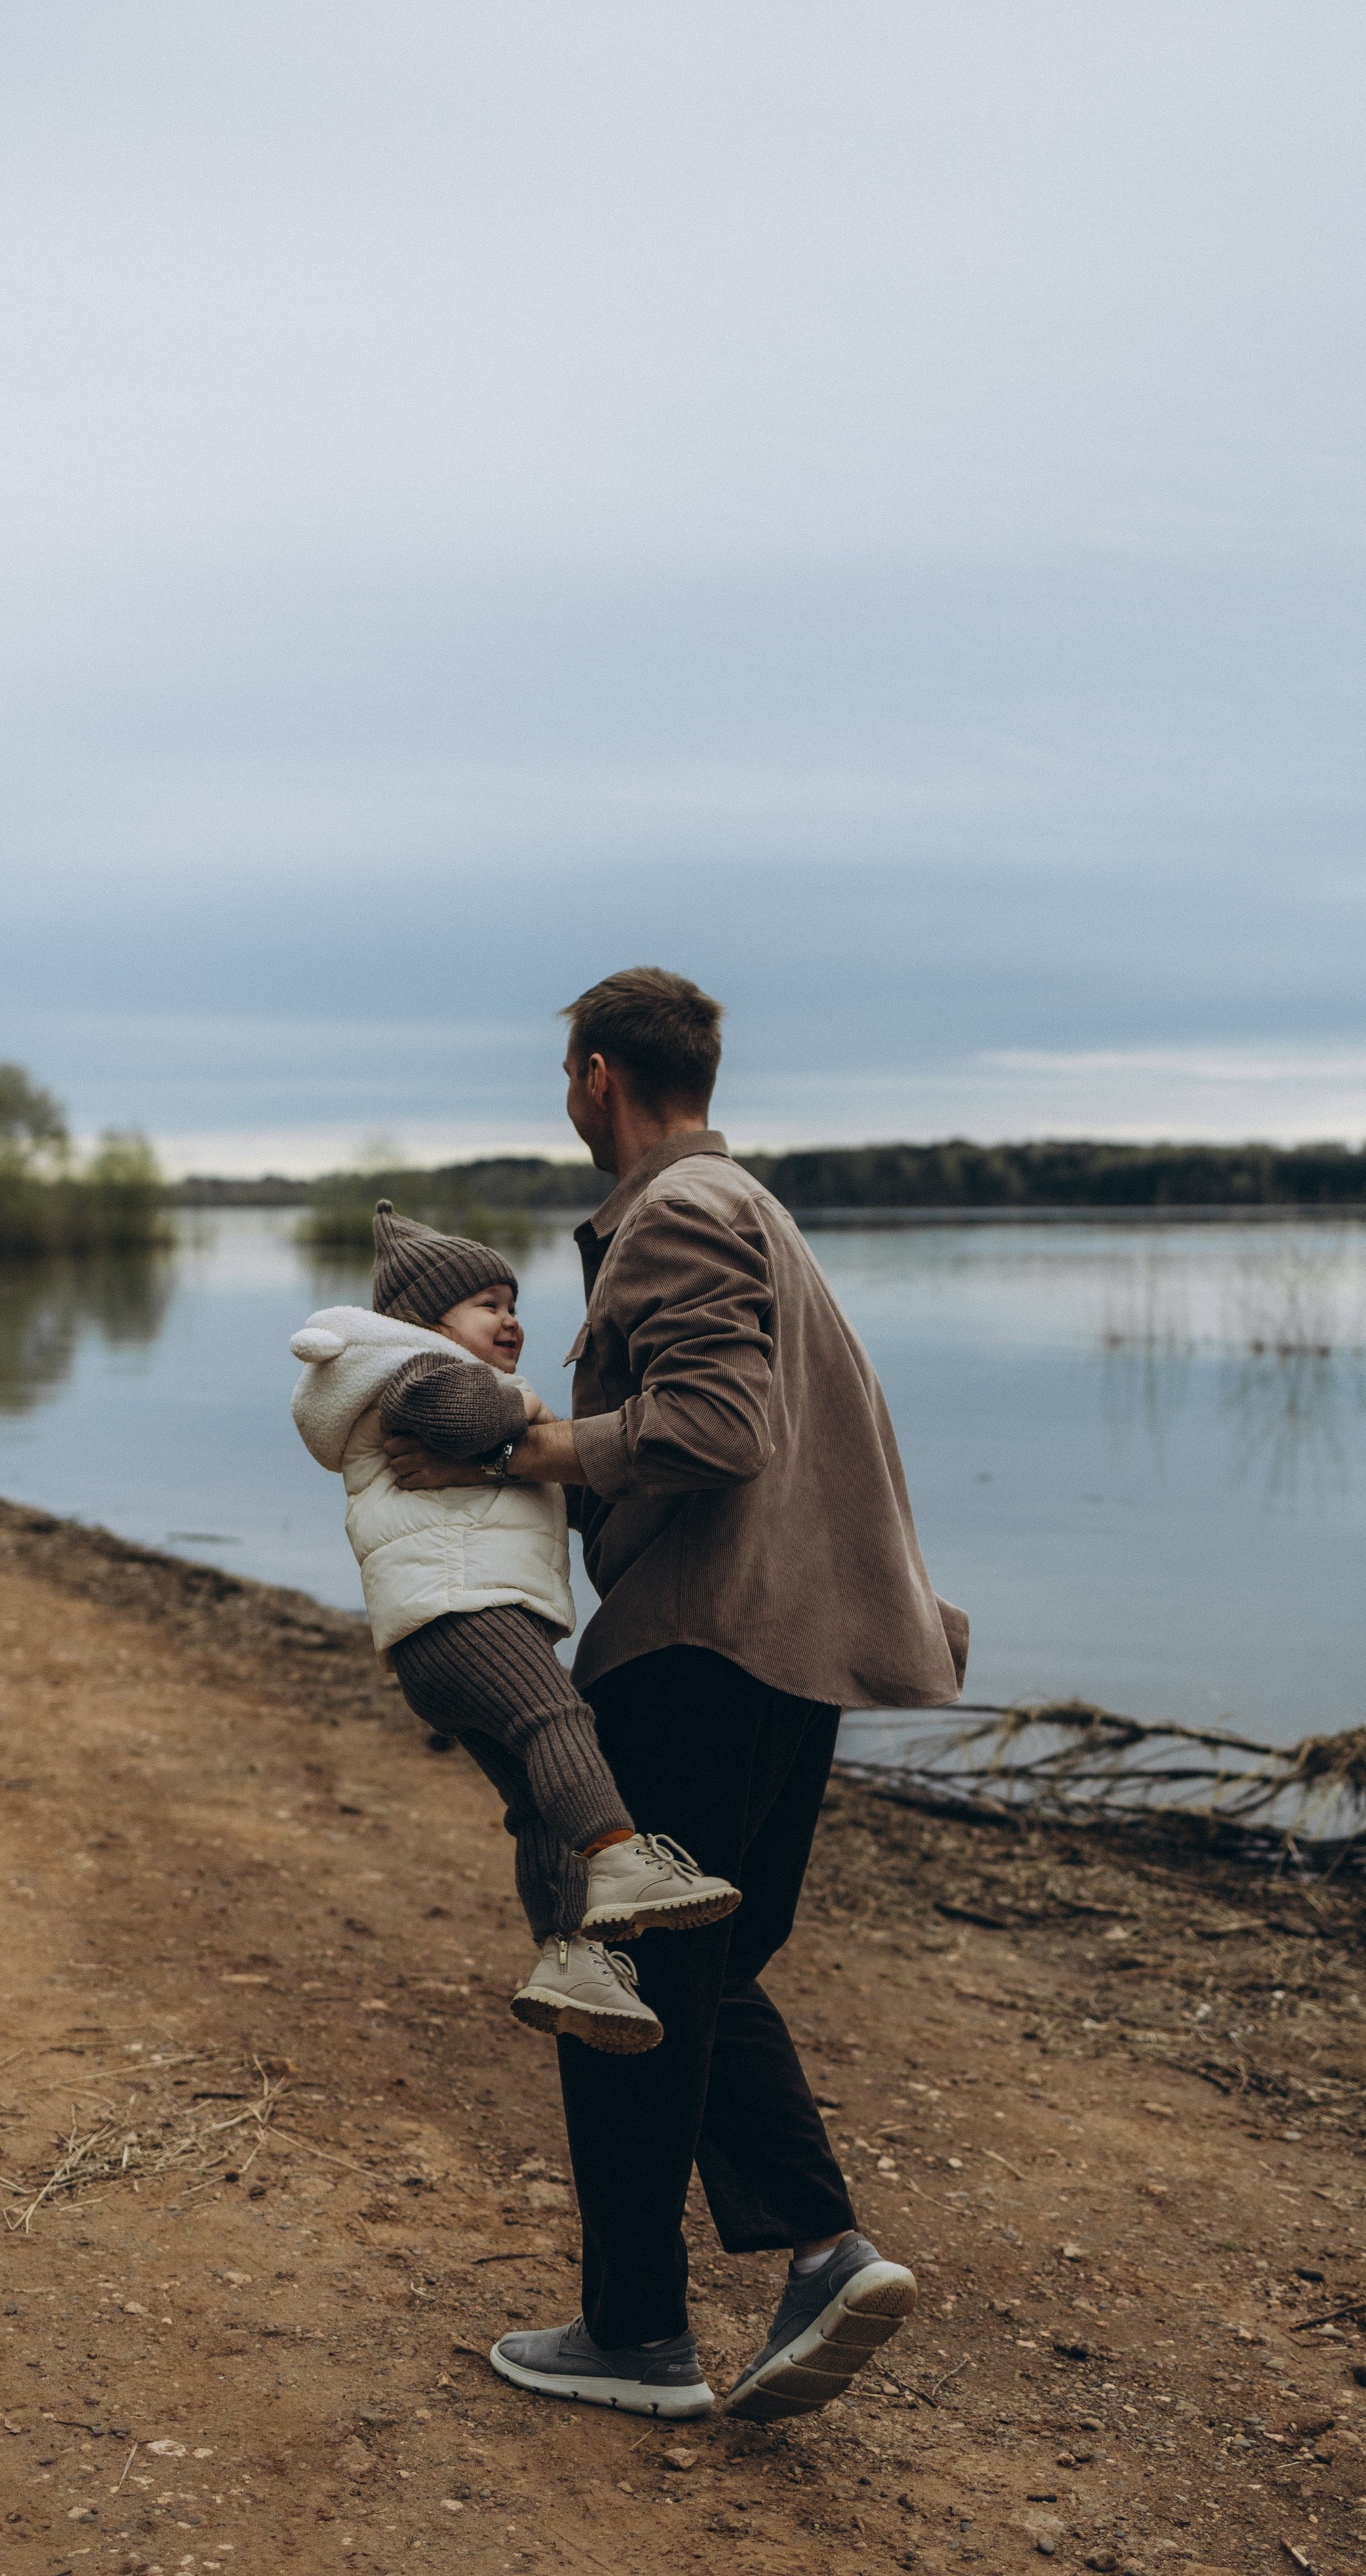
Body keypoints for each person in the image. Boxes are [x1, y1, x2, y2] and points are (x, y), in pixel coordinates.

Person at [384, 967, 970, 2425]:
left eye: (565, 1078)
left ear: (595, 1075)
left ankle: (638, 2333)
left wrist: (517, 1446)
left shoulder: (677, 1213)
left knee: (622, 1960)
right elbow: (730, 1441)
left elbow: (714, 1428)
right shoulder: (752, 1207)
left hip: (702, 1643)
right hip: (791, 1649)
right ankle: (822, 2253)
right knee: (705, 1964)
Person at [289, 1202, 740, 2056]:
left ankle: (570, 1958)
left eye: (513, 1303)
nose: (511, 1320)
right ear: (427, 1320)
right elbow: (461, 1416)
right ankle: (618, 1856)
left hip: (434, 1630)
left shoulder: (421, 1368)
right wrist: (529, 1414)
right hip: (463, 1606)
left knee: (537, 1802)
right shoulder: (418, 1370)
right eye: (487, 1305)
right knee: (557, 1720)